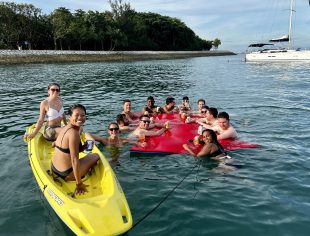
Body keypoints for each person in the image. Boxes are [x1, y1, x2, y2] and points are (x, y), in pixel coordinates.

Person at [51, 104, 100, 195]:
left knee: (87, 155)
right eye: (77, 115)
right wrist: (79, 183)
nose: (80, 118)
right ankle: (78, 178)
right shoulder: (74, 134)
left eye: (83, 115)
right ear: (70, 117)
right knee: (96, 156)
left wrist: (83, 147)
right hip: (66, 174)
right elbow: (74, 160)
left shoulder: (65, 128)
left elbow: (61, 147)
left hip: (54, 168)